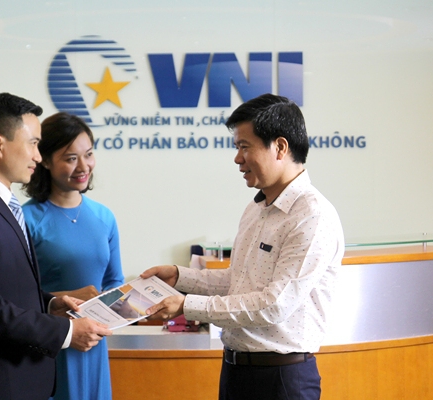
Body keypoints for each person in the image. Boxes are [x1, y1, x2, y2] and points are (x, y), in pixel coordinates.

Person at [142, 93, 344, 400]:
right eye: (237, 147)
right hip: (236, 373)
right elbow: (237, 281)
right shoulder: (256, 208)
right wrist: (180, 277)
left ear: (280, 147)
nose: (237, 158)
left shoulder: (312, 215)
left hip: (282, 380)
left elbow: (274, 304)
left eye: (244, 147)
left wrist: (186, 306)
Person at [0, 93, 112, 400]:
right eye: (32, 143)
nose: (38, 156)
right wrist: (67, 332)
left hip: (22, 382)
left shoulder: (2, 204)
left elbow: (10, 290)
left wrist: (51, 304)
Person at [22, 112, 124, 400]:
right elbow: (18, 297)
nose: (83, 166)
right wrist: (71, 297)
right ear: (45, 160)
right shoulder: (27, 220)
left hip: (94, 344)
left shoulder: (104, 217)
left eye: (88, 154)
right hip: (49, 345)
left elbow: (114, 281)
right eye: (70, 158)